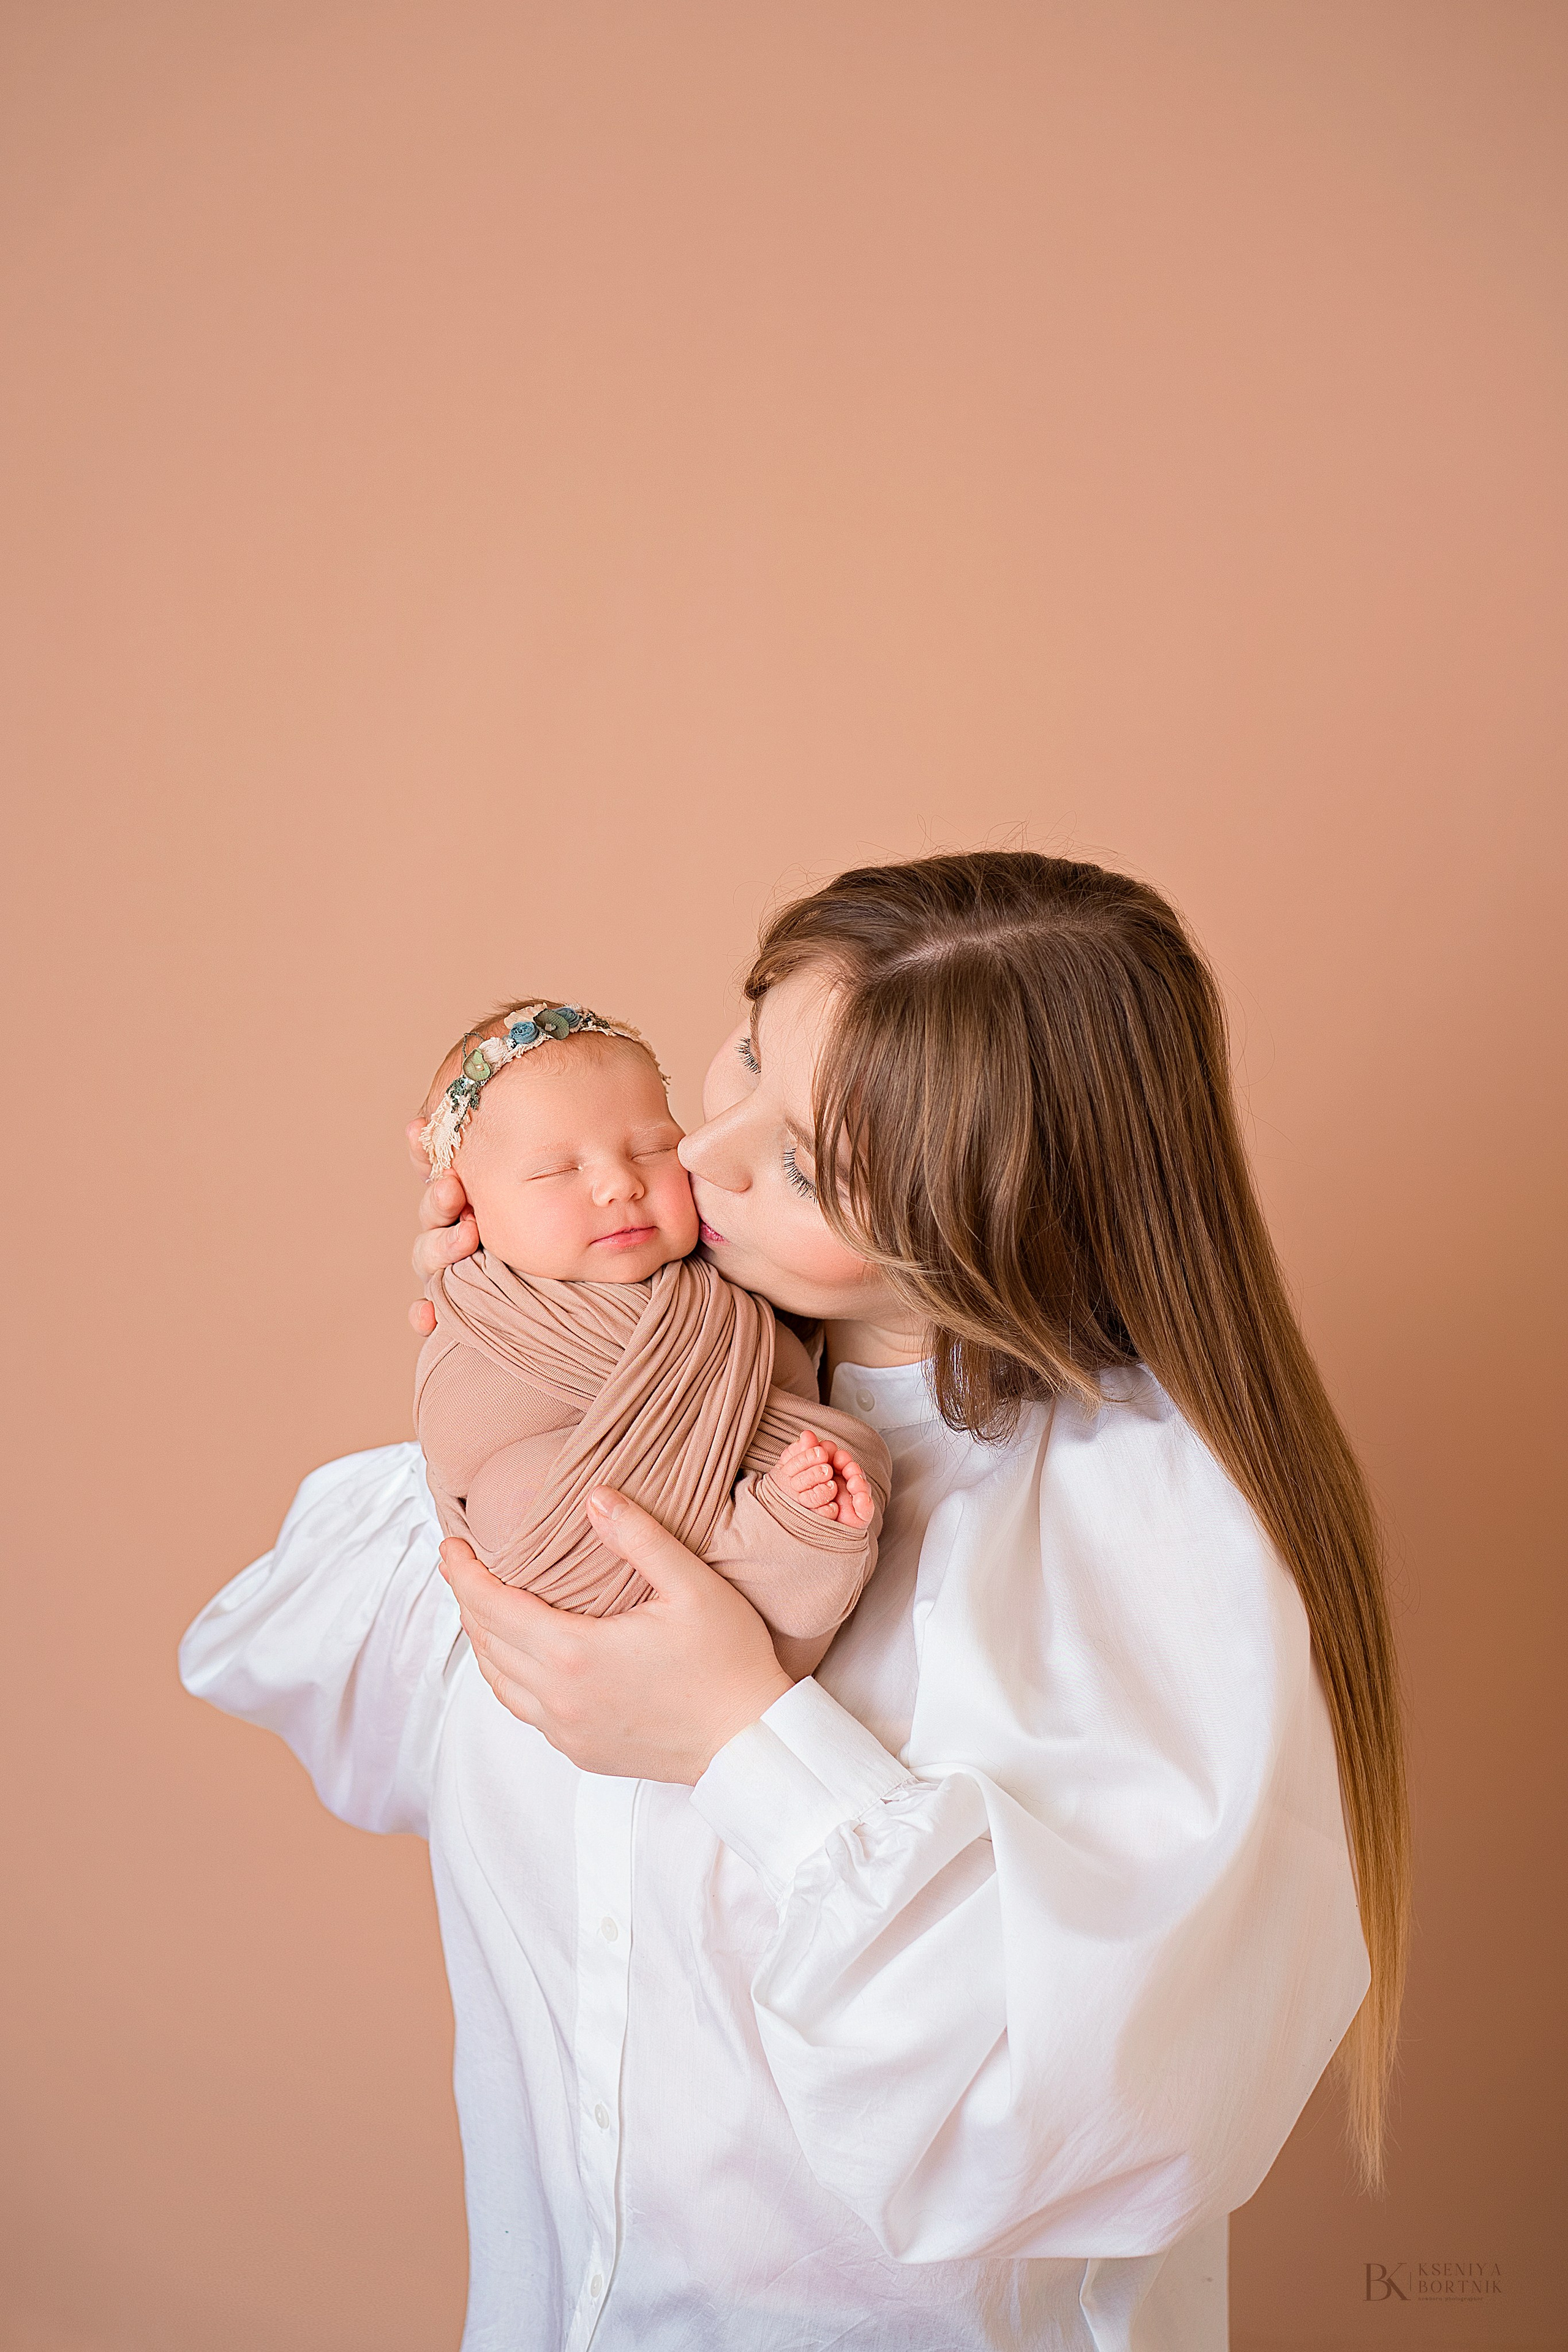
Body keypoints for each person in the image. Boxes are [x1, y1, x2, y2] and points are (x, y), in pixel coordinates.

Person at [179, 850, 1408, 2352]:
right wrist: (510, 1367)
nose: (702, 1147)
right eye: (750, 1045)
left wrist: (738, 1738)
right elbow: (361, 1725)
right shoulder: (687, 1350)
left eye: (809, 1163)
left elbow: (1091, 2126)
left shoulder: (1147, 1533)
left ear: (1000, 1199)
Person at [413, 992, 886, 1677]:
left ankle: (768, 1533)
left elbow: (780, 1390)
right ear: (464, 1201)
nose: (618, 1184)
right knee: (506, 1497)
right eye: (557, 1170)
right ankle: (743, 1538)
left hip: (735, 1516)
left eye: (653, 1147)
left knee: (834, 1488)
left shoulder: (724, 1280)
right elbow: (455, 1440)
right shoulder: (478, 1290)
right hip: (563, 1548)